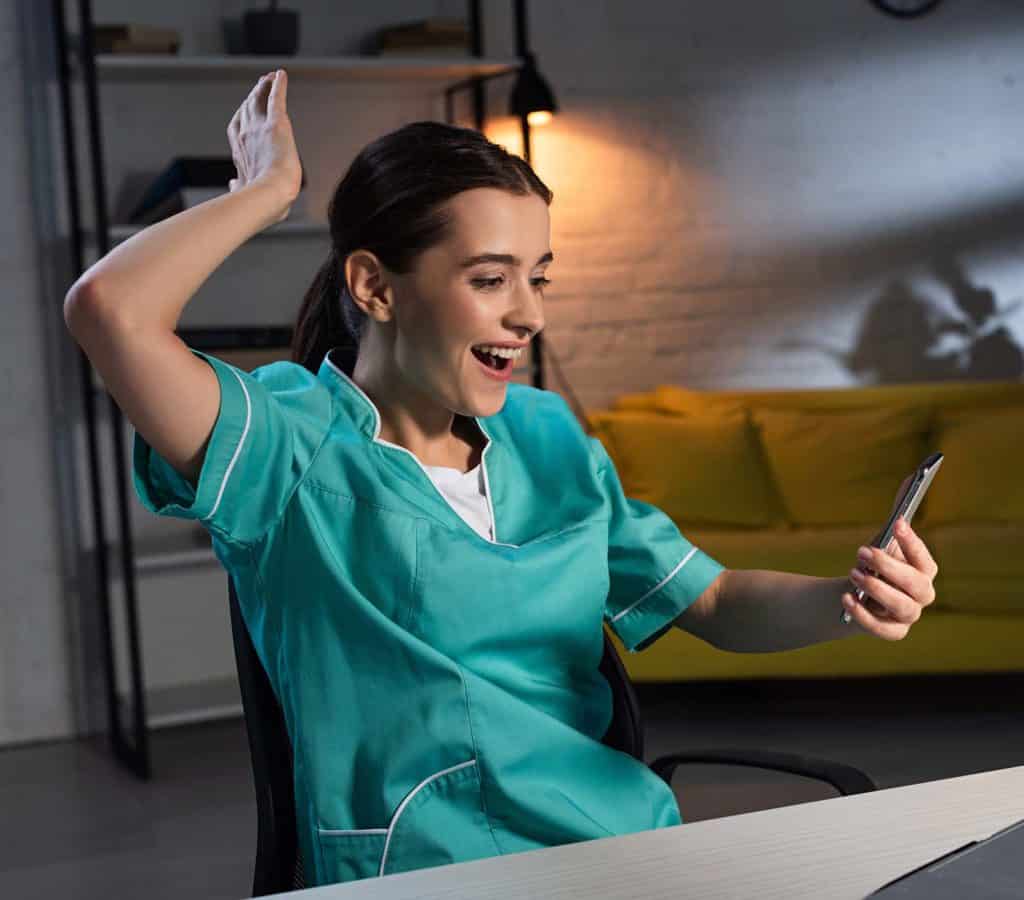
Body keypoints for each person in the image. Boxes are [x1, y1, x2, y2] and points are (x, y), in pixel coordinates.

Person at [63, 69, 940, 887]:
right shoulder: (283, 443)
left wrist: (849, 601)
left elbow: (707, 602)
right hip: (427, 871)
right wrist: (264, 196)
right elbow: (112, 311)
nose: (529, 314)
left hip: (625, 849)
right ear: (374, 285)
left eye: (539, 278)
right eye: (491, 279)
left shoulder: (548, 437)